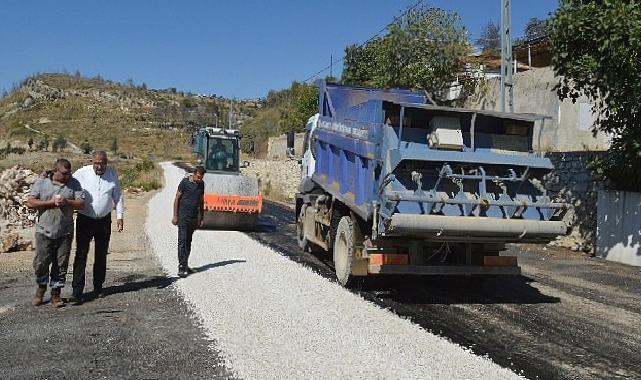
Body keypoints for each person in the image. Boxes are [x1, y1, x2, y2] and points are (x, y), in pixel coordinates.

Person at [27, 159, 85, 308]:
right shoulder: (42, 182)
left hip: (64, 231)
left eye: (69, 173)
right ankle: (41, 288)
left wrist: (68, 202)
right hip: (44, 230)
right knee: (41, 262)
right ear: (55, 171)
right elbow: (31, 202)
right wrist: (51, 203)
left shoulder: (74, 183)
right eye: (65, 173)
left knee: (61, 264)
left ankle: (56, 294)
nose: (68, 176)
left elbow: (82, 204)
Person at [70, 150, 124, 304]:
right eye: (96, 163)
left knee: (101, 255)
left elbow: (118, 196)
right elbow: (69, 184)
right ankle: (77, 291)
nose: (99, 166)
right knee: (81, 254)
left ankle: (98, 287)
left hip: (104, 221)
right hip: (85, 219)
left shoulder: (112, 174)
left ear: (106, 162)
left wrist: (119, 216)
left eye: (102, 163)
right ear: (92, 161)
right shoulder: (82, 173)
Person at [172, 166, 205, 277]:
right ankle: (181, 267)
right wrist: (175, 216)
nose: (200, 179)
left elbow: (201, 201)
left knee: (188, 242)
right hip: (183, 217)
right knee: (182, 241)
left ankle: (185, 264)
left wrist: (201, 218)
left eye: (202, 177)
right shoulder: (184, 182)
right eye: (199, 177)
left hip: (193, 218)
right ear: (194, 174)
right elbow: (177, 198)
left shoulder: (201, 185)